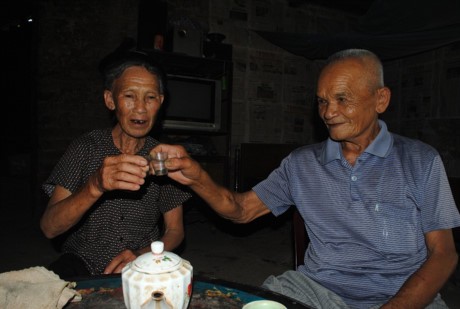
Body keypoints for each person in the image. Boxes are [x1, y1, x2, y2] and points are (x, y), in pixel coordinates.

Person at [149, 49, 460, 308]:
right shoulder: (302, 164)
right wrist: (196, 177)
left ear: (380, 100)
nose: (328, 112)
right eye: (322, 101)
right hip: (321, 290)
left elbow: (444, 254)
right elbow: (241, 210)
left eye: (342, 99)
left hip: (405, 294)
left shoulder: (421, 160)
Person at [40, 49, 191, 278]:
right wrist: (95, 185)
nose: (140, 107)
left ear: (160, 102)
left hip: (143, 262)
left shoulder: (162, 156)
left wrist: (141, 254)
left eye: (150, 97)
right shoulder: (86, 147)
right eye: (129, 96)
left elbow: (175, 230)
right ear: (110, 100)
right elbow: (50, 228)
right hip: (83, 259)